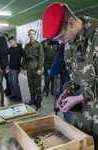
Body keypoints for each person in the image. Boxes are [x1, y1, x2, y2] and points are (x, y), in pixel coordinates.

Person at [42, 2, 98, 148]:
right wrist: (68, 91)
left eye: (61, 36)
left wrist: (80, 97)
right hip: (82, 117)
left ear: (71, 23)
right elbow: (74, 77)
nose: (61, 42)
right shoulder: (68, 44)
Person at [49, 43, 73, 124]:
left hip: (70, 86)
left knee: (69, 118)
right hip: (75, 88)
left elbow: (56, 68)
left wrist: (50, 71)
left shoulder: (64, 46)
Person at [23, 29, 44, 106]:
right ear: (28, 35)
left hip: (36, 66)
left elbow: (41, 57)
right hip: (29, 67)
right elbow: (24, 58)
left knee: (37, 84)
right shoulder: (26, 46)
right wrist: (24, 68)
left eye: (33, 34)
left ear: (35, 35)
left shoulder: (39, 45)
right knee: (30, 83)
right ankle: (32, 99)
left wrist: (40, 68)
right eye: (30, 34)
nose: (32, 36)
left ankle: (38, 100)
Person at [8, 36, 23, 101]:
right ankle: (14, 94)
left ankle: (18, 96)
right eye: (9, 43)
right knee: (10, 82)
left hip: (16, 68)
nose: (10, 44)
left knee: (14, 82)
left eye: (11, 42)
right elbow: (8, 58)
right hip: (10, 67)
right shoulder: (10, 49)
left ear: (14, 41)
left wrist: (21, 65)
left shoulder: (20, 48)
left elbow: (23, 57)